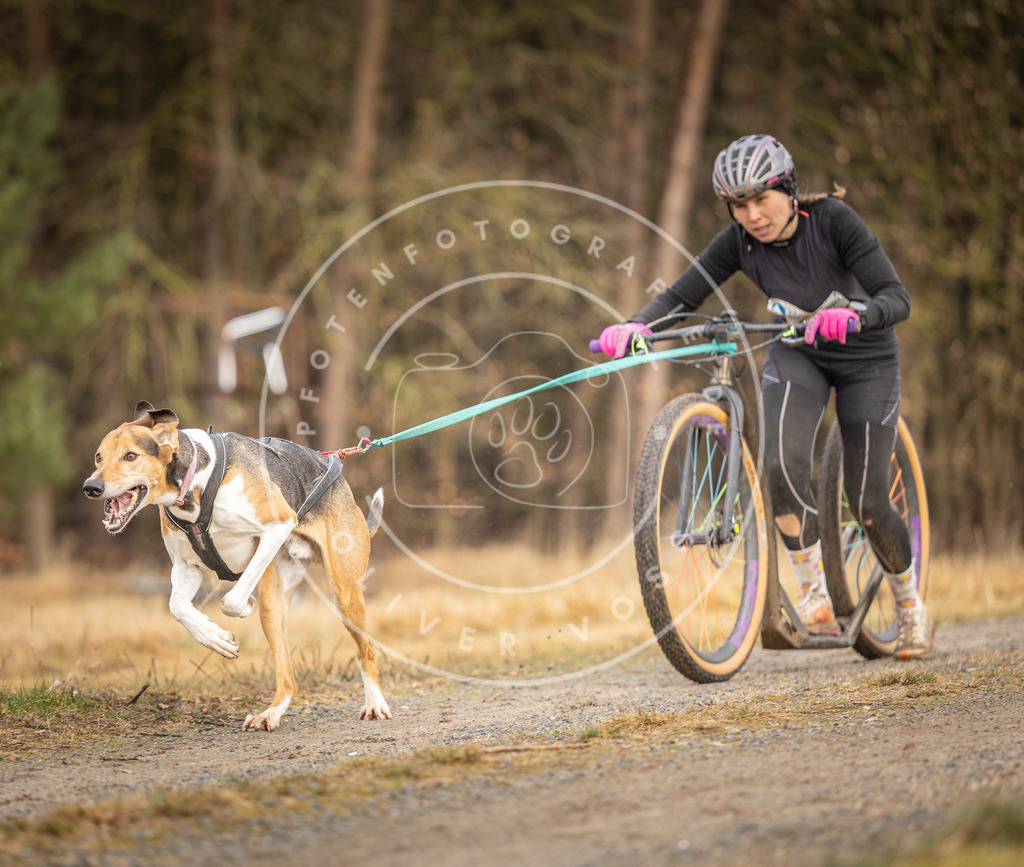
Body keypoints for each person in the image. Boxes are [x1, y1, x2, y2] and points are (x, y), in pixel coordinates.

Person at [598, 133, 933, 659]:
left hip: (866, 358)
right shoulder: (738, 242)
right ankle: (814, 596)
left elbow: (898, 298)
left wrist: (857, 314)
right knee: (779, 465)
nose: (752, 215)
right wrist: (635, 326)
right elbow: (681, 296)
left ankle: (909, 602)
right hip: (798, 353)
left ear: (789, 190)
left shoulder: (835, 223)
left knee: (868, 502)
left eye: (761, 200)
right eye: (739, 205)